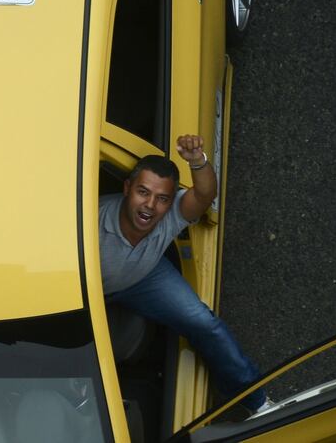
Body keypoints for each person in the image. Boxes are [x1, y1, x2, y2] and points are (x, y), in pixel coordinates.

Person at [100, 134, 269, 413]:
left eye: (162, 198)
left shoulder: (170, 213)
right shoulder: (92, 222)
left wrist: (197, 161)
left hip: (144, 276)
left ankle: (255, 401)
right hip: (90, 289)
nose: (150, 206)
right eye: (143, 192)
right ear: (127, 188)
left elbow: (204, 194)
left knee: (204, 323)